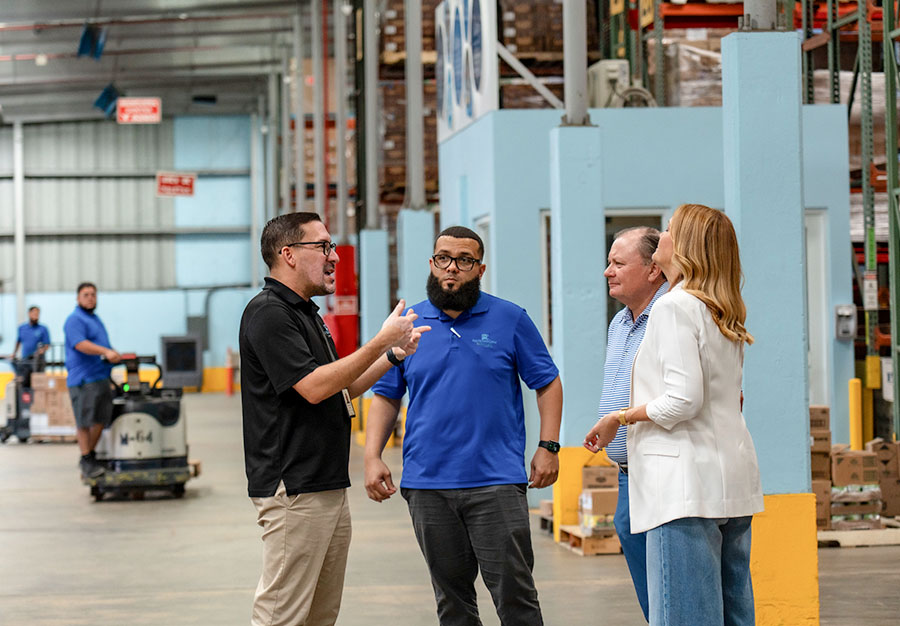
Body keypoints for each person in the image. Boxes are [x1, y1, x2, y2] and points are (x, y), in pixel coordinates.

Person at [365, 225, 563, 626]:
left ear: (480, 268)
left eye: (464, 261)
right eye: (443, 259)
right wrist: (372, 455)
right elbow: (386, 394)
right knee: (452, 603)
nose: (451, 269)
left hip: (496, 483)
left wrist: (549, 445)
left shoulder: (510, 319)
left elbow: (547, 382)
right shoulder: (408, 322)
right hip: (428, 485)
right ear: (432, 264)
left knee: (516, 599)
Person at [239, 212, 429, 626]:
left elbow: (342, 384)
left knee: (320, 614)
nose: (334, 257)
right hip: (294, 487)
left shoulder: (305, 312)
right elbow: (313, 387)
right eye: (322, 246)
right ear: (288, 254)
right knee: (282, 614)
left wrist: (393, 355)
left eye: (332, 247)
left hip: (324, 483)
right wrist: (380, 340)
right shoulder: (269, 312)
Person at [583, 204, 764, 626]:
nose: (662, 236)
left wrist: (621, 418)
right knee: (734, 610)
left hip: (681, 488)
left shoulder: (674, 307)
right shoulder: (721, 307)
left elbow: (684, 400)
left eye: (668, 230)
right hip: (728, 481)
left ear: (683, 247)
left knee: (682, 615)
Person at [598, 226, 667, 622]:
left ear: (654, 270)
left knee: (669, 575)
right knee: (643, 565)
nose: (608, 271)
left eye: (619, 263)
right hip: (628, 472)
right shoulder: (621, 323)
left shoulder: (668, 316)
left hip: (659, 468)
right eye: (609, 262)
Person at [64, 283, 121, 479]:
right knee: (84, 421)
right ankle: (86, 458)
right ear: (78, 298)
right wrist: (106, 352)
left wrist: (114, 355)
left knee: (101, 419)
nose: (90, 298)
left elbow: (104, 344)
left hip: (100, 376)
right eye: (86, 295)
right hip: (83, 379)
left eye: (93, 295)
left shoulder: (95, 320)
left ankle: (89, 456)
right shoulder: (74, 320)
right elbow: (80, 344)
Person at [9, 305, 50, 387]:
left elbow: (47, 344)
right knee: (24, 382)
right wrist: (14, 353)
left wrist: (41, 351)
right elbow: (18, 341)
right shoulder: (22, 328)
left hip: (38, 361)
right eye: (34, 313)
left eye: (37, 314)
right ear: (29, 314)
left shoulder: (43, 329)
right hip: (25, 360)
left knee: (38, 383)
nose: (36, 316)